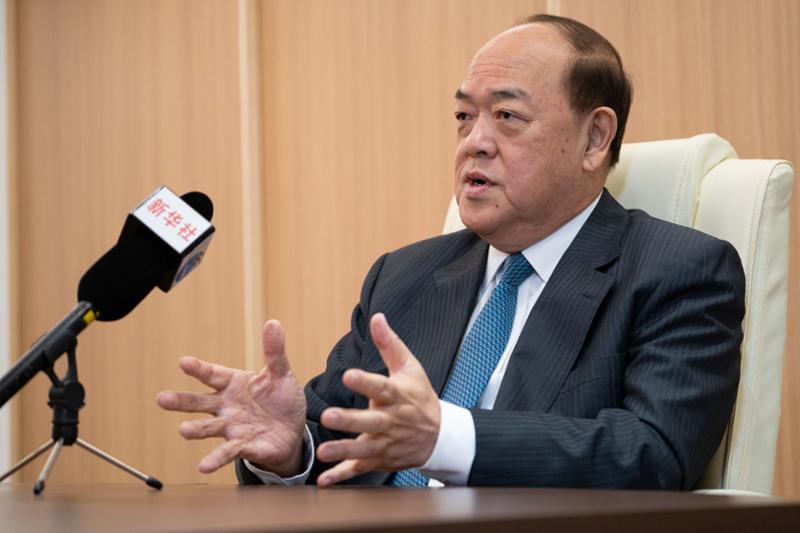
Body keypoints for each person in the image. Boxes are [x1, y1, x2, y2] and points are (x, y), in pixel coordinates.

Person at [157, 14, 745, 489]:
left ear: (595, 138)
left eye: (507, 116)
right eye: (464, 116)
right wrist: (293, 450)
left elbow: (654, 452)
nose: (474, 142)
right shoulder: (404, 276)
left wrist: (447, 438)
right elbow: (335, 438)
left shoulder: (678, 270)